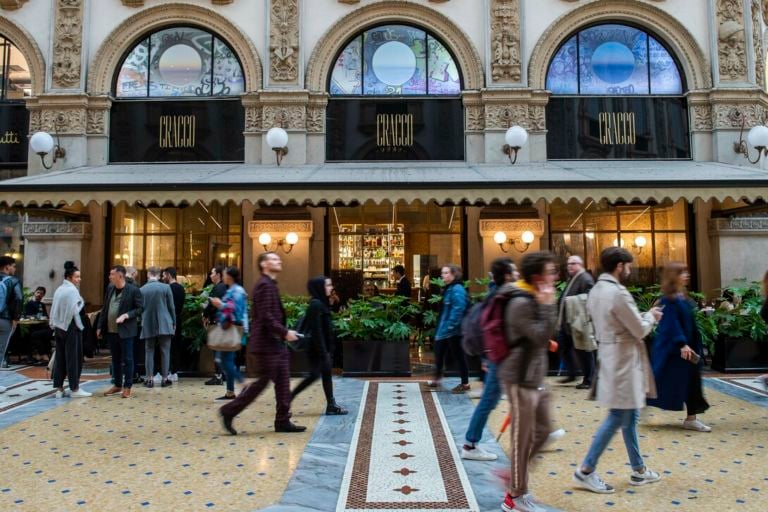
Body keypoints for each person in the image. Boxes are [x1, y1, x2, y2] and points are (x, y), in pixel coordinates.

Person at [573, 247, 663, 494]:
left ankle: (639, 469)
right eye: (628, 265)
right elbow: (639, 329)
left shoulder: (596, 291)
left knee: (629, 416)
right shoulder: (617, 292)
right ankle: (586, 470)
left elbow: (619, 323)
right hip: (624, 360)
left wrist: (644, 316)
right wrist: (652, 316)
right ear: (620, 265)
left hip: (609, 356)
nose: (630, 269)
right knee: (617, 416)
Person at [219, 252, 304, 435]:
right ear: (264, 264)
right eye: (274, 259)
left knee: (282, 383)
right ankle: (228, 410)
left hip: (274, 344)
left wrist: (283, 334)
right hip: (266, 346)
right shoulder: (264, 285)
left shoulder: (270, 284)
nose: (278, 260)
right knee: (262, 383)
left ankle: (282, 420)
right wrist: (285, 332)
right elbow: (265, 316)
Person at [498, 252, 558, 512]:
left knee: (545, 430)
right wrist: (547, 304)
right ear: (537, 276)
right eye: (551, 272)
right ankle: (514, 496)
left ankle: (513, 474)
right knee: (521, 439)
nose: (555, 276)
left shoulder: (532, 297)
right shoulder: (520, 302)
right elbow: (538, 335)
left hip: (534, 375)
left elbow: (545, 334)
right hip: (520, 378)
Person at [461, 257, 515, 461]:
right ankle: (470, 444)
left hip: (497, 358)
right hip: (500, 359)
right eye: (514, 271)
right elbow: (494, 329)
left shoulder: (497, 294)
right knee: (489, 401)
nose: (517, 274)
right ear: (508, 275)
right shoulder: (502, 297)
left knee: (502, 399)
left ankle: (539, 431)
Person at [647, 263, 711, 431]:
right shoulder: (669, 299)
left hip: (686, 348)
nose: (686, 275)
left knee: (690, 382)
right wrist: (682, 344)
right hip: (678, 351)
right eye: (682, 272)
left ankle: (691, 418)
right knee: (673, 381)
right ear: (673, 276)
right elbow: (671, 324)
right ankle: (690, 418)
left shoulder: (680, 296)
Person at [290, 276, 348, 415]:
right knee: (314, 375)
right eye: (327, 285)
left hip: (322, 349)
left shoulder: (321, 303)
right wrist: (324, 353)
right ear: (320, 287)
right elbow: (317, 331)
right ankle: (288, 397)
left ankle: (331, 404)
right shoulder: (316, 305)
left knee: (324, 375)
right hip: (318, 349)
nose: (331, 288)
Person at [97, 265, 143, 399]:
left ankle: (127, 386)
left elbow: (140, 308)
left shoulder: (133, 290)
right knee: (115, 359)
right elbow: (105, 308)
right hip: (111, 331)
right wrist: (100, 326)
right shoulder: (110, 288)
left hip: (126, 331)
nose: (110, 276)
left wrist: (126, 315)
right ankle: (117, 384)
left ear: (120, 276)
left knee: (128, 359)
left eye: (112, 274)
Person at [49, 262, 91, 398]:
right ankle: (75, 389)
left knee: (60, 358)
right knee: (74, 358)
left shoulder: (59, 289)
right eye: (77, 277)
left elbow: (54, 309)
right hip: (71, 327)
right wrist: (81, 326)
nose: (79, 279)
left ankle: (59, 389)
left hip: (59, 326)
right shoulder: (72, 290)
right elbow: (75, 310)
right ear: (69, 277)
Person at [427, 264, 469, 393]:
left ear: (453, 274)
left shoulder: (457, 289)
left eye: (446, 273)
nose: (443, 275)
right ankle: (437, 378)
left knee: (459, 356)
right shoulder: (449, 288)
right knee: (439, 352)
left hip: (453, 330)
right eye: (442, 273)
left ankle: (465, 383)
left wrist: (450, 325)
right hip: (445, 329)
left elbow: (458, 309)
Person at [556, 255, 595, 388]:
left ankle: (589, 380)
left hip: (578, 322)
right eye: (568, 264)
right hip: (567, 323)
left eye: (573, 263)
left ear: (580, 264)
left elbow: (590, 297)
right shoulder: (572, 278)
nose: (570, 266)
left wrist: (570, 302)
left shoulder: (585, 278)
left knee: (584, 351)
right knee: (564, 347)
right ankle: (572, 374)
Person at [209, 266, 247, 401]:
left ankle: (242, 383)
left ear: (229, 277)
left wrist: (220, 305)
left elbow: (234, 309)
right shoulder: (233, 289)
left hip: (232, 329)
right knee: (227, 360)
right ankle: (230, 392)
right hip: (231, 328)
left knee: (225, 361)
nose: (223, 276)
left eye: (225, 274)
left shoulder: (236, 291)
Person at [140, 267, 176, 388]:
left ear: (148, 275)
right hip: (165, 322)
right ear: (160, 275)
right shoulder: (166, 287)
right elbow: (171, 307)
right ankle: (165, 379)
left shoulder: (142, 289)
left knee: (149, 350)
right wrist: (174, 322)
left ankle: (149, 378)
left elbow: (140, 308)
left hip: (148, 322)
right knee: (165, 351)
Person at [0, 255, 22, 390]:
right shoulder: (13, 281)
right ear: (7, 266)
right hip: (5, 320)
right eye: (13, 266)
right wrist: (15, 318)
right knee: (1, 350)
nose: (14, 269)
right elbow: (18, 299)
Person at [203, 266, 227, 386]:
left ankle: (219, 376)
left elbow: (213, 305)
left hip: (217, 322)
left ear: (218, 274)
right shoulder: (221, 287)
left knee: (217, 349)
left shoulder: (219, 287)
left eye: (212, 273)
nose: (210, 275)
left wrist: (205, 314)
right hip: (218, 321)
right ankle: (222, 374)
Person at [163, 267, 185, 380]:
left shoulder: (167, 288)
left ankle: (166, 372)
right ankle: (174, 371)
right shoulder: (181, 288)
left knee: (166, 346)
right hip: (178, 319)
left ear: (169, 275)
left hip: (168, 320)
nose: (163, 278)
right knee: (176, 346)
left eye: (164, 275)